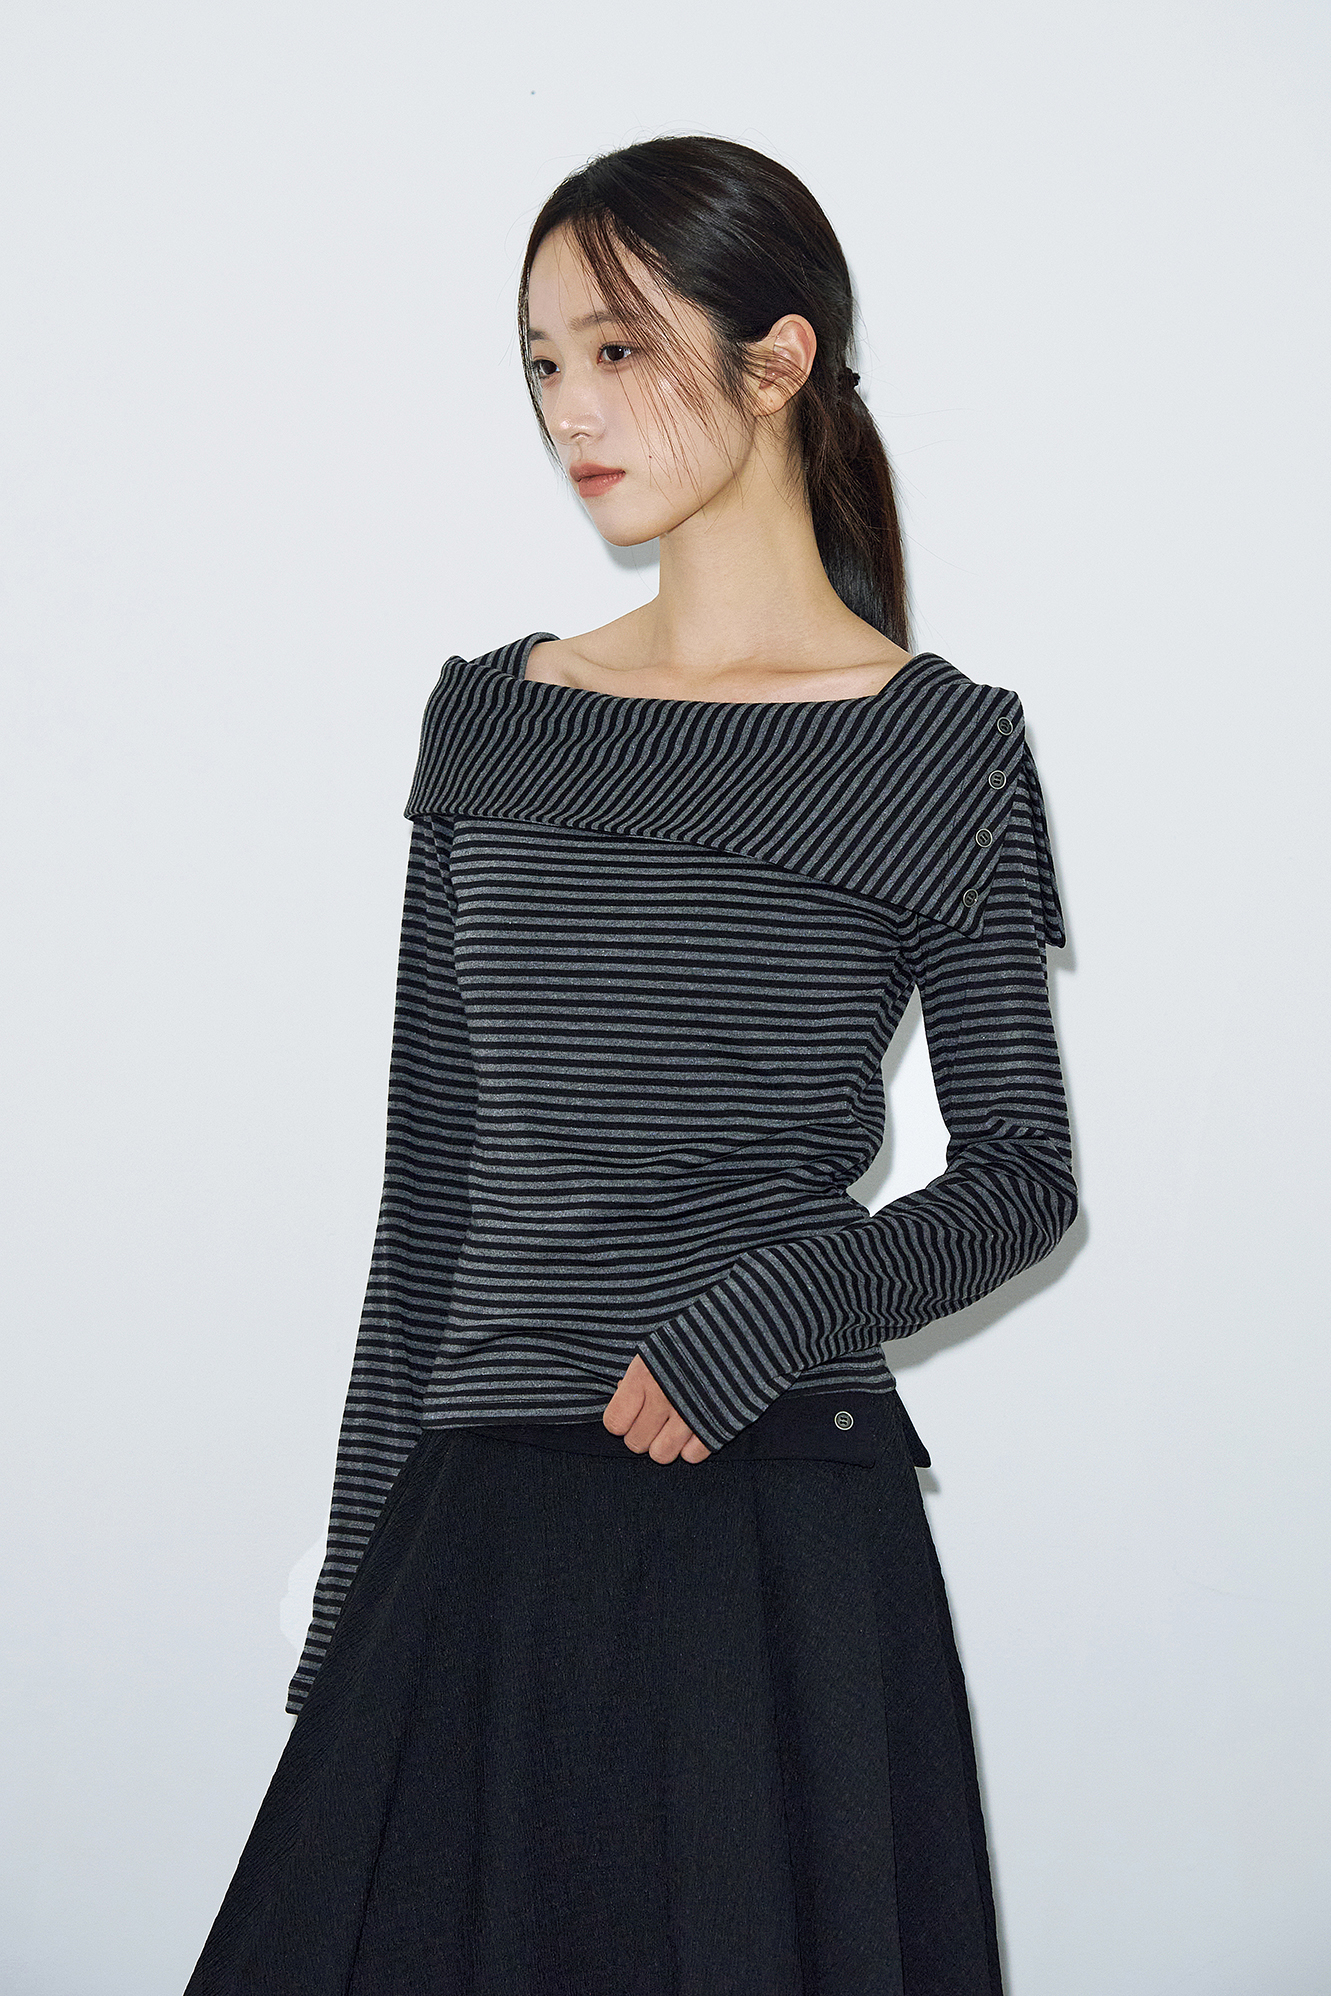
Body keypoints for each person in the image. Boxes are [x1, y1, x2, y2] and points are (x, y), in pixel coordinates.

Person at [185, 134, 1077, 1995]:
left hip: (775, 1535)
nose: (568, 410)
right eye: (541, 362)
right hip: (482, 1530)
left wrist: (769, 1315)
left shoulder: (940, 747)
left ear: (779, 360)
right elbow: (432, 1188)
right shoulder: (492, 720)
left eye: (616, 349)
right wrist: (353, 1594)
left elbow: (1021, 1177)